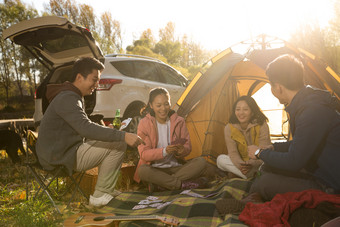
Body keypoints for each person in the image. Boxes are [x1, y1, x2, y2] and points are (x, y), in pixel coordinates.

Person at [36, 57, 144, 207]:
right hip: (59, 158)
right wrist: (124, 135)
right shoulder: (68, 98)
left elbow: (82, 126)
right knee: (119, 142)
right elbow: (85, 128)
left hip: (62, 152)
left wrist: (108, 130)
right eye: (94, 79)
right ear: (79, 77)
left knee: (114, 139)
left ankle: (106, 190)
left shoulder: (71, 95)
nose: (97, 85)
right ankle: (101, 194)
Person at [247, 54, 340, 201]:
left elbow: (294, 161)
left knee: (265, 183)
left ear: (278, 87)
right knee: (267, 167)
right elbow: (303, 143)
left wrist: (259, 153)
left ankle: (249, 201)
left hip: (331, 184)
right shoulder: (307, 102)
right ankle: (254, 196)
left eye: (271, 85)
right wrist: (274, 148)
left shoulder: (312, 111)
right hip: (320, 171)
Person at [134, 87, 208, 191]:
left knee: (201, 162)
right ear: (151, 105)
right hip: (155, 169)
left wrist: (182, 151)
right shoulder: (144, 123)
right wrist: (164, 151)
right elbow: (144, 154)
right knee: (142, 171)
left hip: (176, 168)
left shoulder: (179, 121)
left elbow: (187, 147)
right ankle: (181, 185)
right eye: (158, 105)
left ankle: (162, 185)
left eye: (166, 104)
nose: (163, 109)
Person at [216, 96, 272, 179]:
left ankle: (243, 175)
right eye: (238, 109)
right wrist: (241, 166)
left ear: (252, 112)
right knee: (220, 160)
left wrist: (251, 164)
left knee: (269, 161)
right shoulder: (229, 128)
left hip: (258, 163)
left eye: (245, 109)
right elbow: (233, 152)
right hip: (241, 164)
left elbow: (264, 150)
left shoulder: (262, 124)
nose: (241, 113)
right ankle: (252, 176)